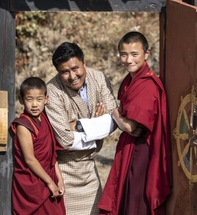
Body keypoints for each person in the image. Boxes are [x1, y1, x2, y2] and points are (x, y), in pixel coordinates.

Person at [98, 31, 172, 215]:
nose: (128, 60)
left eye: (134, 54)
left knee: (136, 202)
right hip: (131, 148)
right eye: (124, 54)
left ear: (146, 54)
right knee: (125, 197)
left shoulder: (147, 85)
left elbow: (131, 127)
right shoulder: (130, 80)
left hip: (143, 152)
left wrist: (112, 110)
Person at [45, 42, 117, 215]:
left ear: (84, 63)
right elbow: (65, 139)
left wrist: (77, 125)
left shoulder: (98, 78)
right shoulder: (52, 90)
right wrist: (96, 125)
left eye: (75, 68)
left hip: (90, 171)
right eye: (64, 72)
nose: (72, 76)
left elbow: (113, 120)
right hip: (65, 171)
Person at [11, 77, 66, 215]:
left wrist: (59, 179)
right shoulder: (24, 125)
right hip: (34, 184)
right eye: (29, 99)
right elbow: (30, 159)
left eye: (39, 99)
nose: (34, 104)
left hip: (49, 177)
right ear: (21, 99)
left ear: (46, 99)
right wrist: (49, 183)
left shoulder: (45, 120)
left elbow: (52, 155)